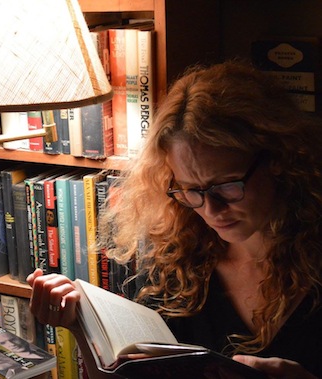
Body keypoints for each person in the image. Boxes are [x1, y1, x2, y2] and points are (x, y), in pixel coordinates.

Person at [28, 61, 322, 379]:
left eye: (227, 185)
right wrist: (79, 326)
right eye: (191, 190)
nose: (211, 209)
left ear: (278, 160)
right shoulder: (177, 257)